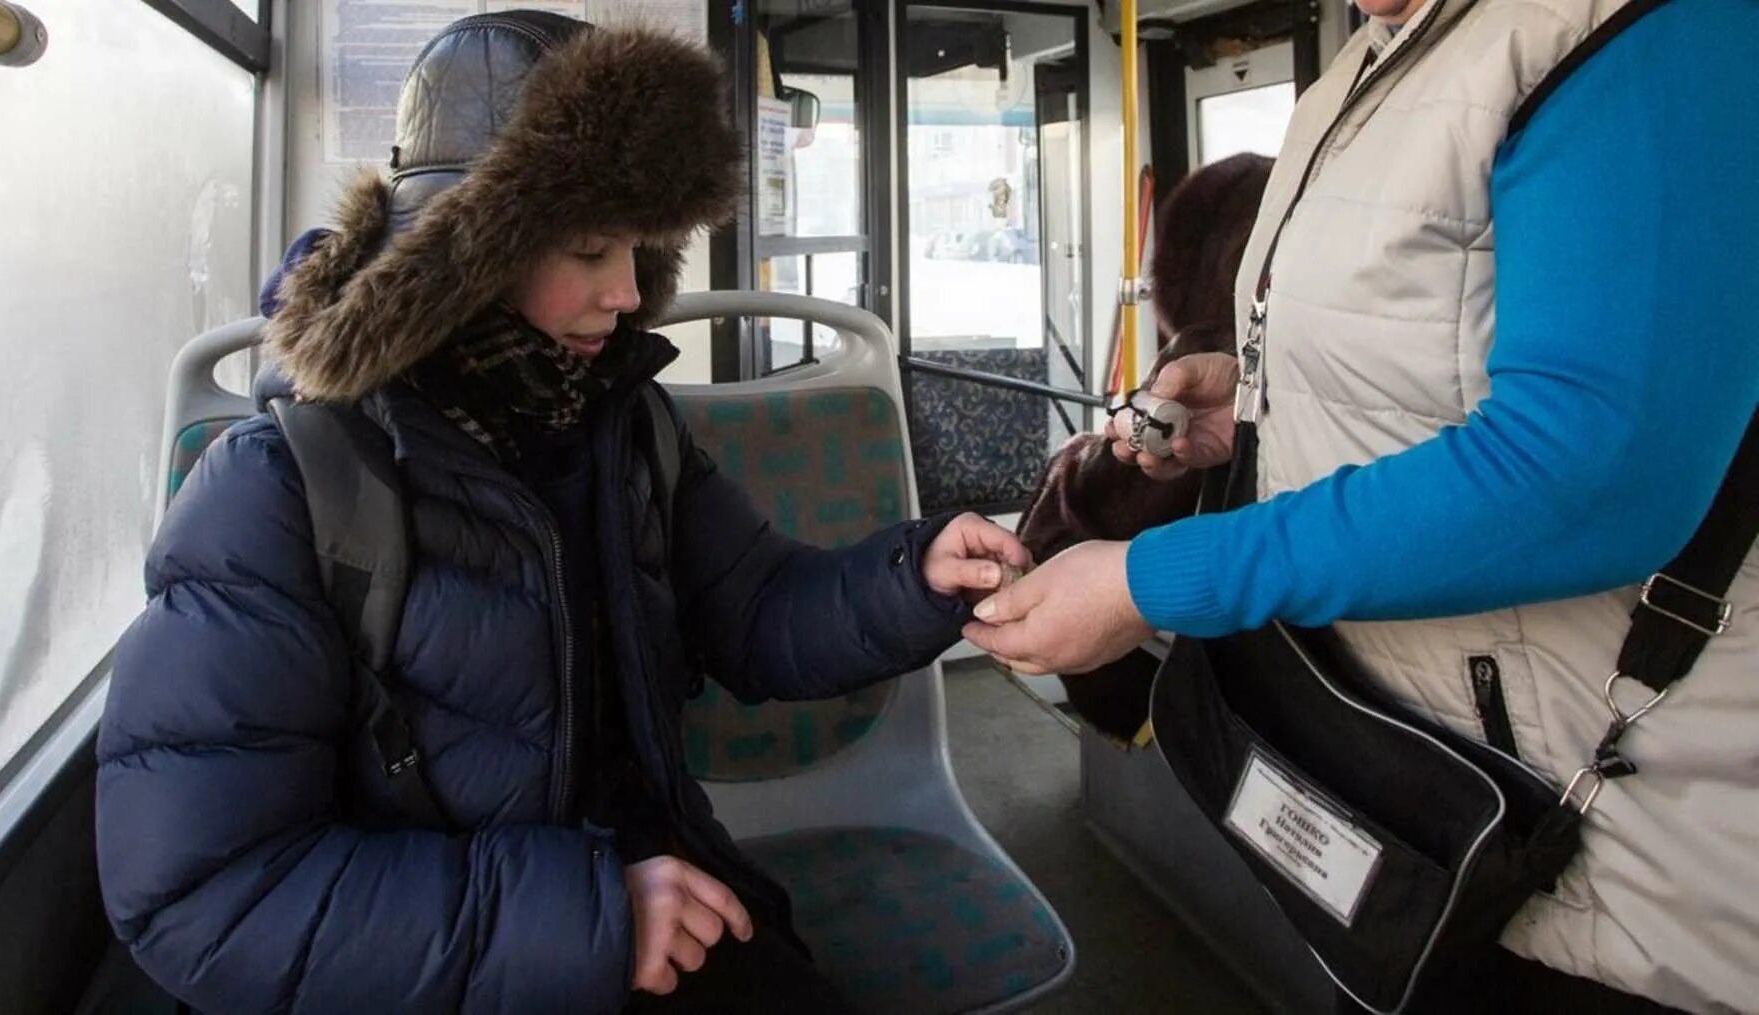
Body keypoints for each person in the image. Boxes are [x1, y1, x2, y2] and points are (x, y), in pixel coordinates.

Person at [97, 13, 1027, 1013]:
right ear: (468, 252)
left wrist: (914, 577)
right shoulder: (285, 486)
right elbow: (207, 890)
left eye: (636, 248)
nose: (627, 292)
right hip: (440, 963)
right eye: (589, 249)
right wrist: (587, 918)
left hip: (651, 903)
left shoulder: (622, 430)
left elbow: (756, 609)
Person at [965, 0, 1759, 1009]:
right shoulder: (1364, 71)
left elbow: (1590, 474)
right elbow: (1418, 364)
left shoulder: (1639, 31)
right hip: (1419, 792)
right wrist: (1248, 404)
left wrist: (1147, 581)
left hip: (1616, 860)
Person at [1013, 153, 1272, 738]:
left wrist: (1073, 460)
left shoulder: (1201, 355)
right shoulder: (1297, 353)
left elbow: (1106, 507)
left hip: (1184, 676)